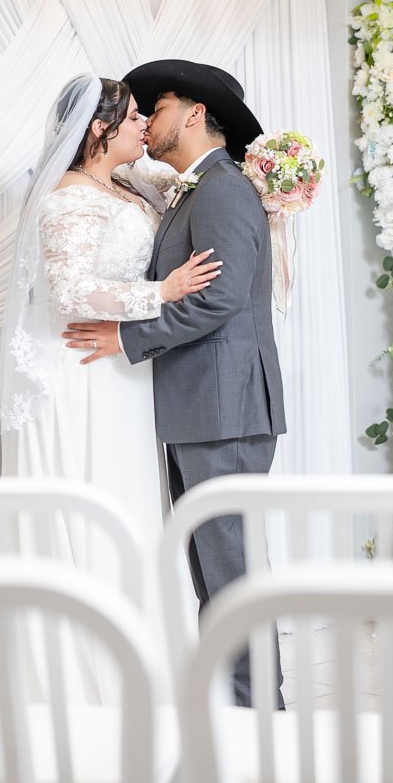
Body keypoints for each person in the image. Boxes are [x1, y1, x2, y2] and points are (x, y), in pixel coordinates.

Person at [62, 59, 286, 709]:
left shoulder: (221, 190)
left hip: (226, 410)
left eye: (154, 108)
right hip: (202, 409)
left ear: (193, 115)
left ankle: (261, 716)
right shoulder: (192, 188)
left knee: (233, 575)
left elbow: (218, 301)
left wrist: (126, 338)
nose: (146, 119)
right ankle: (238, 708)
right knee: (215, 575)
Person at [0, 73, 221, 704]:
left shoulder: (128, 184)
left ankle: (144, 662)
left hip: (125, 369)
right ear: (99, 129)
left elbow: (196, 175)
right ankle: (87, 682)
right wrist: (163, 292)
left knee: (133, 511)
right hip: (84, 372)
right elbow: (70, 292)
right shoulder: (68, 198)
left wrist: (275, 179)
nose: (143, 128)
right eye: (131, 121)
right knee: (95, 510)